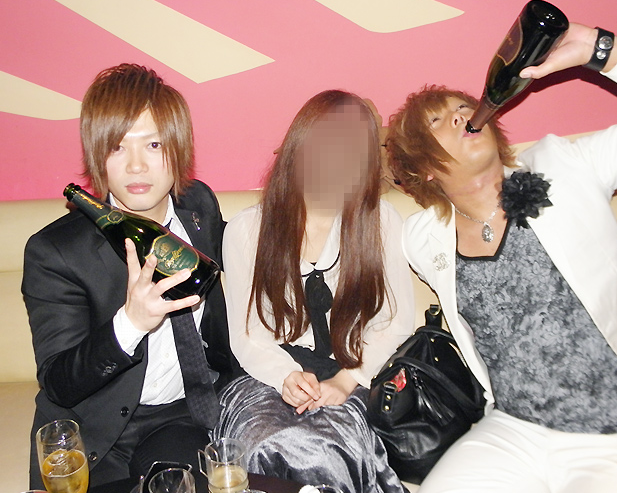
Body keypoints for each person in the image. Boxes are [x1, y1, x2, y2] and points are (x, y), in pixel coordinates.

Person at [385, 23, 617, 493]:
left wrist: (596, 48)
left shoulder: (567, 168)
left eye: (462, 107)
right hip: (511, 430)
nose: (461, 114)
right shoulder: (422, 236)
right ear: (426, 168)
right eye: (437, 120)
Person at [23, 64, 242, 488]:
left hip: (178, 418)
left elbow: (247, 253)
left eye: (154, 144)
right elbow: (59, 382)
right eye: (118, 147)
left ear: (178, 148)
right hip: (93, 433)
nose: (137, 166)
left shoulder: (199, 207)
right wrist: (131, 322)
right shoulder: (56, 251)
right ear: (96, 154)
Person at [214, 90, 415, 492]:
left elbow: (397, 323)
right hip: (268, 374)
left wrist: (346, 380)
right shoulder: (247, 230)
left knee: (327, 451)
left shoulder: (381, 222)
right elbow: (248, 335)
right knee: (266, 445)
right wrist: (286, 376)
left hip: (355, 373)